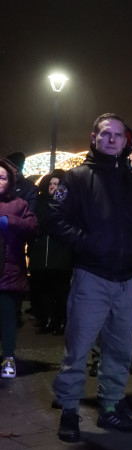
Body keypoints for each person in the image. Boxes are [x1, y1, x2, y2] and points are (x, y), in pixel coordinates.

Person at [48, 113, 132, 442]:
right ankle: (69, 410)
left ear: (127, 141)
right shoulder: (77, 179)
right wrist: (88, 244)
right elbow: (54, 219)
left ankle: (110, 408)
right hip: (91, 276)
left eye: (118, 135)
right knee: (78, 348)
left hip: (127, 278)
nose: (112, 139)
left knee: (119, 350)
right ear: (94, 138)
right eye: (105, 134)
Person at [0, 158, 38, 378]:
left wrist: (9, 221)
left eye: (3, 177)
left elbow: (33, 227)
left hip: (7, 271)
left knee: (7, 317)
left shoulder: (19, 204)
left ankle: (8, 358)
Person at [28, 170, 72, 335]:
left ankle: (62, 321)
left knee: (60, 290)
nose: (53, 186)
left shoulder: (67, 204)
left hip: (59, 254)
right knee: (44, 289)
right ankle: (48, 319)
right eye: (51, 184)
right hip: (41, 254)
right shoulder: (40, 203)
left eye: (56, 184)